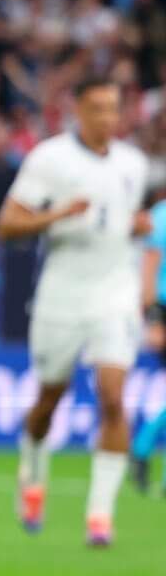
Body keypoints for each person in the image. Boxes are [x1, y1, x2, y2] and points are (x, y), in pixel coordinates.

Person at [0, 77, 149, 546]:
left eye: (113, 109)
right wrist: (57, 215)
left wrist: (136, 228)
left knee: (113, 395)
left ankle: (99, 516)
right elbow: (7, 224)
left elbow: (125, 224)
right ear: (77, 110)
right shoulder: (50, 159)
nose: (107, 118)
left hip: (115, 294)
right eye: (97, 108)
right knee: (48, 401)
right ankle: (33, 477)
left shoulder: (133, 164)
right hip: (62, 292)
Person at [128, 189, 166, 492]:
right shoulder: (161, 215)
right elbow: (150, 264)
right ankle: (141, 449)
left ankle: (141, 450)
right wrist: (153, 316)